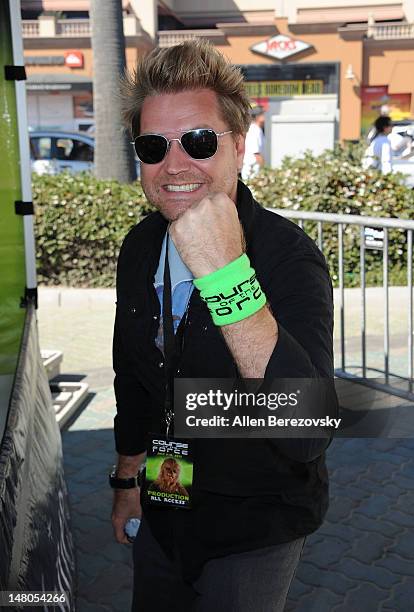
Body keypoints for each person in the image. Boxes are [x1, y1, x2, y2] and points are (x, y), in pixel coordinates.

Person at [111, 39, 337, 611]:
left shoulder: (288, 256)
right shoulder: (141, 244)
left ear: (238, 147)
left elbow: (307, 427)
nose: (175, 164)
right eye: (153, 146)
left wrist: (226, 275)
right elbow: (133, 377)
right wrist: (126, 480)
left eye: (199, 142)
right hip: (165, 500)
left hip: (253, 525)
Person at [241, 105, 265, 180]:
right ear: (258, 117)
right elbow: (256, 153)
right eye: (263, 114)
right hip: (252, 169)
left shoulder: (253, 128)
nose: (265, 117)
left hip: (250, 167)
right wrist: (264, 169)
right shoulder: (255, 130)